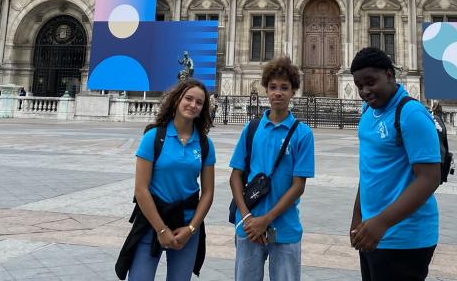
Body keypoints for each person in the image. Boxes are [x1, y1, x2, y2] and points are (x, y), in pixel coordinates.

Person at [350, 48, 441, 281]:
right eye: (360, 86)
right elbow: (370, 169)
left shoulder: (411, 114)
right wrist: (358, 215)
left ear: (390, 75)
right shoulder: (369, 110)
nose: (365, 91)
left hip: (404, 238)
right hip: (372, 233)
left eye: (371, 82)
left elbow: (430, 178)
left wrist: (381, 222)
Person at [115, 78, 216, 281]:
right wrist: (161, 229)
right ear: (177, 99)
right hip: (152, 221)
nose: (193, 105)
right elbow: (141, 190)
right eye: (188, 98)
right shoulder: (153, 137)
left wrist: (191, 229)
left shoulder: (205, 144)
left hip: (187, 224)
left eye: (199, 102)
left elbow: (208, 193)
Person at [230, 56, 315, 281]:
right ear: (266, 90)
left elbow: (298, 187)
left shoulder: (303, 134)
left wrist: (265, 220)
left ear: (293, 91)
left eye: (284, 88)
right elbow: (235, 176)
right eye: (273, 87)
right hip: (248, 226)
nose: (278, 93)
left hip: (284, 228)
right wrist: (247, 217)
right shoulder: (252, 129)